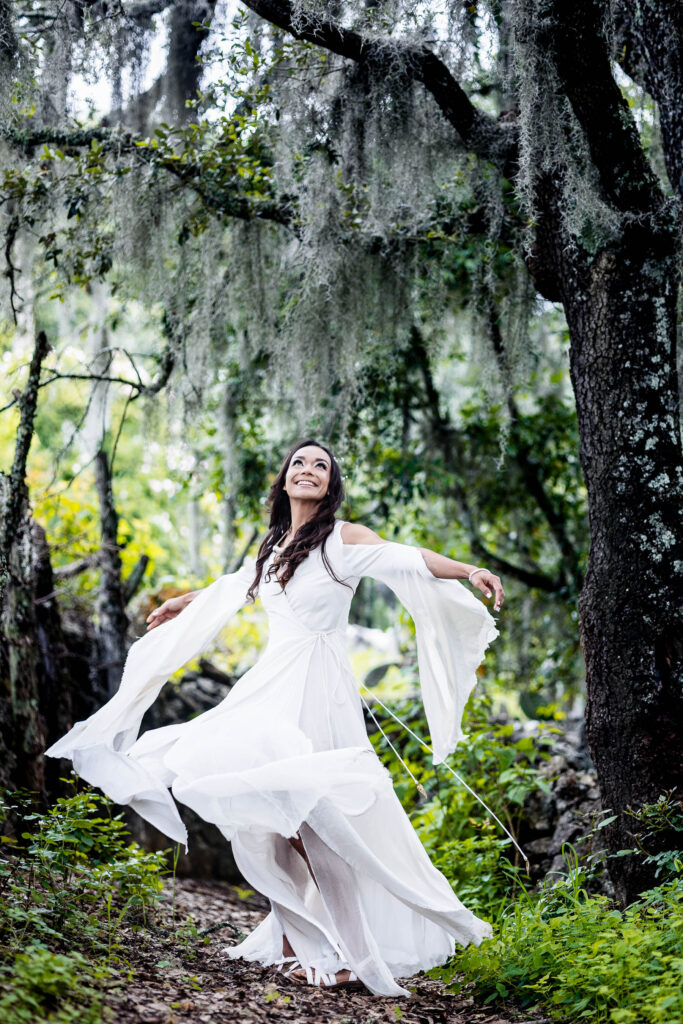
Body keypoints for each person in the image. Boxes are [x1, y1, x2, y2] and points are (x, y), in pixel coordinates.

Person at [46, 439, 504, 996]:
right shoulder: (272, 547)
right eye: (299, 463)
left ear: (330, 485)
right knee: (270, 821)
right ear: (284, 481)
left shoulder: (344, 539)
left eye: (321, 466)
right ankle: (298, 944)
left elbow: (409, 557)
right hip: (270, 691)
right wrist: (180, 603)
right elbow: (233, 587)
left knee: (318, 825)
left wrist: (469, 569)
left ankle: (353, 957)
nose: (308, 470)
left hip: (320, 694)